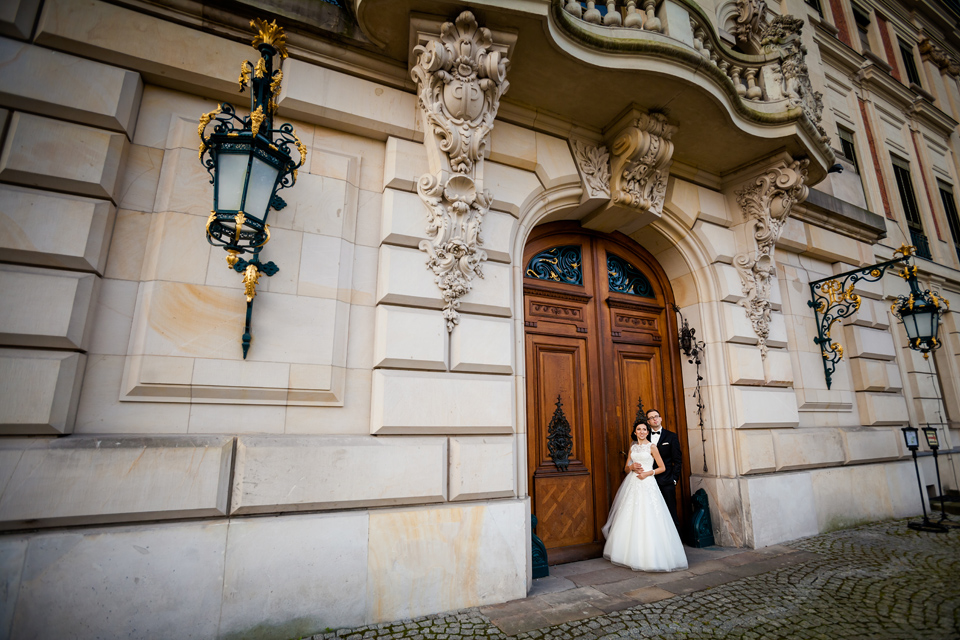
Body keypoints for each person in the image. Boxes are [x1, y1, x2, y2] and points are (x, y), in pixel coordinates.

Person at [601, 420, 688, 572]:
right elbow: (626, 469)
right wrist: (631, 467)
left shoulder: (652, 447)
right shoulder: (633, 447)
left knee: (650, 516)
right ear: (635, 432)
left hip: (648, 483)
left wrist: (648, 473)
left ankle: (651, 557)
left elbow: (662, 467)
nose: (641, 432)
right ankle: (628, 556)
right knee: (631, 516)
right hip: (633, 483)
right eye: (638, 429)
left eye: (644, 429)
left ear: (647, 432)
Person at [645, 408, 683, 532]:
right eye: (651, 418)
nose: (654, 419)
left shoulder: (671, 436)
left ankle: (676, 544)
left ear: (660, 418)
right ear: (648, 422)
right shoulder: (644, 437)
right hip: (648, 481)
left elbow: (677, 460)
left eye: (656, 416)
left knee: (670, 512)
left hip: (666, 481)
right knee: (651, 513)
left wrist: (674, 479)